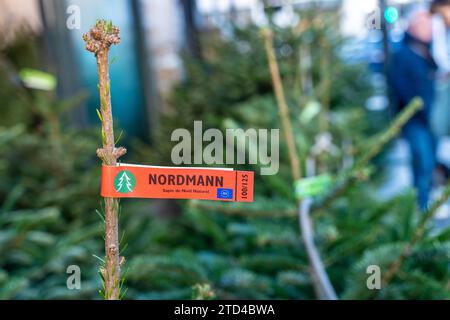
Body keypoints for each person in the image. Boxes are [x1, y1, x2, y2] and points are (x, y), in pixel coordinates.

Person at [388, 10, 438, 210]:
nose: (429, 29)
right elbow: (401, 87)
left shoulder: (427, 50)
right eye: (424, 25)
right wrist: (419, 107)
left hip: (429, 118)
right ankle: (420, 207)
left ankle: (426, 202)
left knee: (430, 161)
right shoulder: (403, 54)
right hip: (415, 119)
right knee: (422, 162)